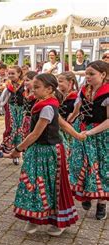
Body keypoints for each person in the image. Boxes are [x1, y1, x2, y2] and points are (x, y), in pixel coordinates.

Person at [10, 73, 83, 236]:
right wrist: (77, 135)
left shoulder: (48, 106)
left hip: (49, 151)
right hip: (38, 150)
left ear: (49, 89)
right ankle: (35, 217)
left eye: (37, 87)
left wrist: (18, 149)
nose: (32, 89)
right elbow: (62, 123)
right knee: (33, 182)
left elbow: (36, 134)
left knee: (52, 185)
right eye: (33, 86)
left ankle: (59, 221)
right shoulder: (43, 103)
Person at [67, 60, 108, 220]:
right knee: (78, 164)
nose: (88, 77)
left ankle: (101, 203)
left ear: (103, 75)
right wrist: (70, 119)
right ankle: (86, 194)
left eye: (92, 74)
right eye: (87, 74)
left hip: (101, 135)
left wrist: (90, 132)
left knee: (101, 168)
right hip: (83, 130)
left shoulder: (107, 93)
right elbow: (78, 108)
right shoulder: (84, 90)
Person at [0, 65, 27, 165]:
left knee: (21, 131)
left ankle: (19, 152)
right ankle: (14, 153)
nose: (10, 75)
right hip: (11, 109)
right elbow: (2, 99)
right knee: (12, 129)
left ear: (19, 74)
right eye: (9, 73)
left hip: (22, 110)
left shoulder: (24, 84)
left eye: (13, 73)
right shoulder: (9, 85)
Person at [57, 72, 79, 152]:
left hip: (72, 128)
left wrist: (73, 115)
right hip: (59, 128)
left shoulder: (77, 96)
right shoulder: (57, 94)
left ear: (70, 82)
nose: (58, 84)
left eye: (60, 81)